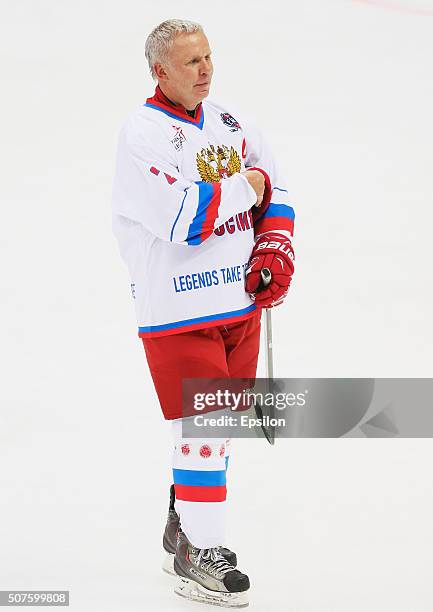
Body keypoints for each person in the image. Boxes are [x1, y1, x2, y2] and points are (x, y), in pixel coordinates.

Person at [112, 18, 295, 608]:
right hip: (177, 310)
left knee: (218, 435)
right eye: (191, 62)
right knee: (201, 431)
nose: (206, 70)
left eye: (209, 57)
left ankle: (182, 525)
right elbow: (184, 219)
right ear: (160, 71)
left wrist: (273, 245)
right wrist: (249, 183)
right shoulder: (142, 133)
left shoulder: (231, 122)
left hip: (237, 304)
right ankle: (199, 552)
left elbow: (279, 189)